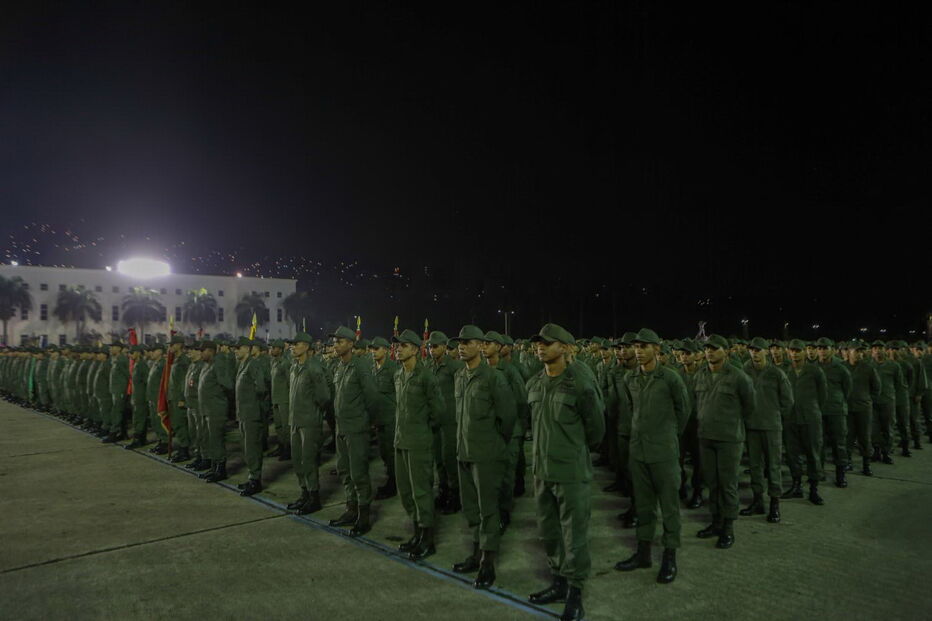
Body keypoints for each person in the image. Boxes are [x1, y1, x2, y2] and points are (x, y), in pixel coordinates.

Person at [526, 323, 605, 619]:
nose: (540, 347)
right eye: (538, 343)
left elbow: (596, 428)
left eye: (548, 343)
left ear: (566, 348)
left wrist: (575, 452)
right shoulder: (535, 383)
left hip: (571, 472)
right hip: (542, 471)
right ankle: (558, 581)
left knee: (575, 536)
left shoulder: (580, 384)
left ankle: (575, 591)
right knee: (548, 532)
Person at [614, 328, 689, 580]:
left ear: (657, 349)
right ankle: (643, 553)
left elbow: (683, 413)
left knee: (669, 507)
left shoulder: (670, 378)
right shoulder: (630, 379)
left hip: (664, 452)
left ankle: (669, 556)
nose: (638, 350)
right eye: (636, 345)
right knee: (644, 506)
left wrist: (666, 435)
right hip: (639, 452)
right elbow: (631, 408)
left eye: (644, 346)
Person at [449, 325, 515, 590]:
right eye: (460, 343)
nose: (461, 347)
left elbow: (508, 417)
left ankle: (488, 561)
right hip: (464, 451)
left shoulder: (493, 377)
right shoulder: (460, 376)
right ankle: (476, 552)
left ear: (481, 345)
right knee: (471, 508)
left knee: (488, 509)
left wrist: (494, 444)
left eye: (467, 342)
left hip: (486, 454)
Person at [694, 334, 754, 547]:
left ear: (726, 351)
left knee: (728, 484)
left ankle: (728, 527)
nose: (709, 351)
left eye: (715, 348)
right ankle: (716, 521)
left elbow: (749, 407)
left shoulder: (739, 377)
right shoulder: (700, 374)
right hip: (706, 436)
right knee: (713, 483)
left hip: (729, 439)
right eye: (707, 348)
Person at [392, 329, 444, 560]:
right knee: (406, 492)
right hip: (401, 440)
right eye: (397, 345)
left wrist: (423, 431)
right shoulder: (399, 375)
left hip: (419, 442)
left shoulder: (426, 377)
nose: (398, 349)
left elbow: (439, 412)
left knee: (421, 492)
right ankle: (417, 533)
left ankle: (428, 539)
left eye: (403, 346)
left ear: (415, 349)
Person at [327, 326, 382, 536]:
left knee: (359, 473)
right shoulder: (339, 367)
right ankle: (351, 509)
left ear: (351, 344)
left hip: (357, 428)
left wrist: (370, 422)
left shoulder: (360, 367)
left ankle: (364, 516)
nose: (335, 344)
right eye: (334, 341)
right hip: (342, 428)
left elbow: (373, 397)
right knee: (344, 470)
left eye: (340, 341)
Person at [741, 337, 792, 522]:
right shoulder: (744, 371)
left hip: (771, 427)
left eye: (758, 350)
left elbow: (788, 402)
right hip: (752, 426)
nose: (755, 353)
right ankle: (757, 501)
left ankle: (774, 504)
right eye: (752, 350)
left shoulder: (776, 374)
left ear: (766, 352)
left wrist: (775, 417)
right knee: (755, 466)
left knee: (773, 466)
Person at [286, 332, 331, 515]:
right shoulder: (295, 366)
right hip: (295, 421)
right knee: (298, 460)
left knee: (309, 461)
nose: (292, 347)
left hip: (309, 422)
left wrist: (315, 413)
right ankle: (304, 492)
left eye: (296, 344)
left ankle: (314, 497)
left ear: (305, 346)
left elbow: (324, 397)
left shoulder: (314, 368)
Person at [783, 339, 828, 504]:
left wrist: (813, 409)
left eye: (798, 351)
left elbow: (823, 396)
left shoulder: (815, 371)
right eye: (792, 351)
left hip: (810, 418)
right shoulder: (785, 370)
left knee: (813, 454)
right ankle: (796, 486)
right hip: (790, 419)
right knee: (792, 454)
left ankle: (814, 490)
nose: (795, 354)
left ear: (805, 352)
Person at [427, 330, 465, 514]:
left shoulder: (455, 367)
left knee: (450, 459)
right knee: (438, 459)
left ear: (444, 346)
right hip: (436, 420)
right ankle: (443, 491)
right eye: (430, 347)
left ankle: (455, 495)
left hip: (451, 420)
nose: (432, 350)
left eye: (435, 346)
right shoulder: (430, 367)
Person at [234, 337, 268, 496]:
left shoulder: (253, 364)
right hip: (244, 413)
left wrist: (253, 402)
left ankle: (256, 480)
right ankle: (251, 476)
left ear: (247, 349)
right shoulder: (243, 364)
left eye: (238, 348)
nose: (236, 350)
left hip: (252, 412)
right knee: (247, 448)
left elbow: (260, 387)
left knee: (253, 447)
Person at [198, 341, 233, 482]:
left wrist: (218, 397)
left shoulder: (218, 364)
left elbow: (227, 384)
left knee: (217, 440)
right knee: (211, 440)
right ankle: (214, 467)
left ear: (211, 351)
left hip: (216, 409)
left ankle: (220, 470)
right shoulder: (208, 365)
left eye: (203, 351)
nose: (201, 354)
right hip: (207, 409)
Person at [369, 336, 399, 500]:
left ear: (386, 350)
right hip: (379, 419)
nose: (373, 352)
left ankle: (394, 482)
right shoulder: (372, 369)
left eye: (377, 348)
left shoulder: (393, 369)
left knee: (391, 453)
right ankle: (391, 478)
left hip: (391, 419)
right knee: (384, 452)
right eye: (372, 349)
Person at [844, 341, 880, 476]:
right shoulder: (842, 367)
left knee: (865, 437)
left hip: (864, 408)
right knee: (847, 437)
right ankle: (847, 462)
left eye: (861, 351)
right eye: (856, 351)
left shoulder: (868, 368)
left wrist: (867, 399)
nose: (859, 353)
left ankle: (866, 464)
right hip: (847, 408)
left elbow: (877, 388)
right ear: (849, 351)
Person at [268, 340, 292, 460]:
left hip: (284, 399)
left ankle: (288, 449)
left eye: (274, 348)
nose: (271, 350)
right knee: (278, 426)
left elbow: (289, 382)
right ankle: (281, 446)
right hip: (276, 398)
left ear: (280, 350)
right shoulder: (274, 362)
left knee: (285, 426)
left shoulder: (285, 363)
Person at [124, 345, 149, 449]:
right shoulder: (137, 364)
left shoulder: (142, 365)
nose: (130, 355)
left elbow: (147, 381)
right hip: (137, 396)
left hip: (141, 397)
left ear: (138, 353)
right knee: (138, 418)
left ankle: (138, 440)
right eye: (130, 353)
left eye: (132, 353)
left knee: (139, 419)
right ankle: (141, 439)